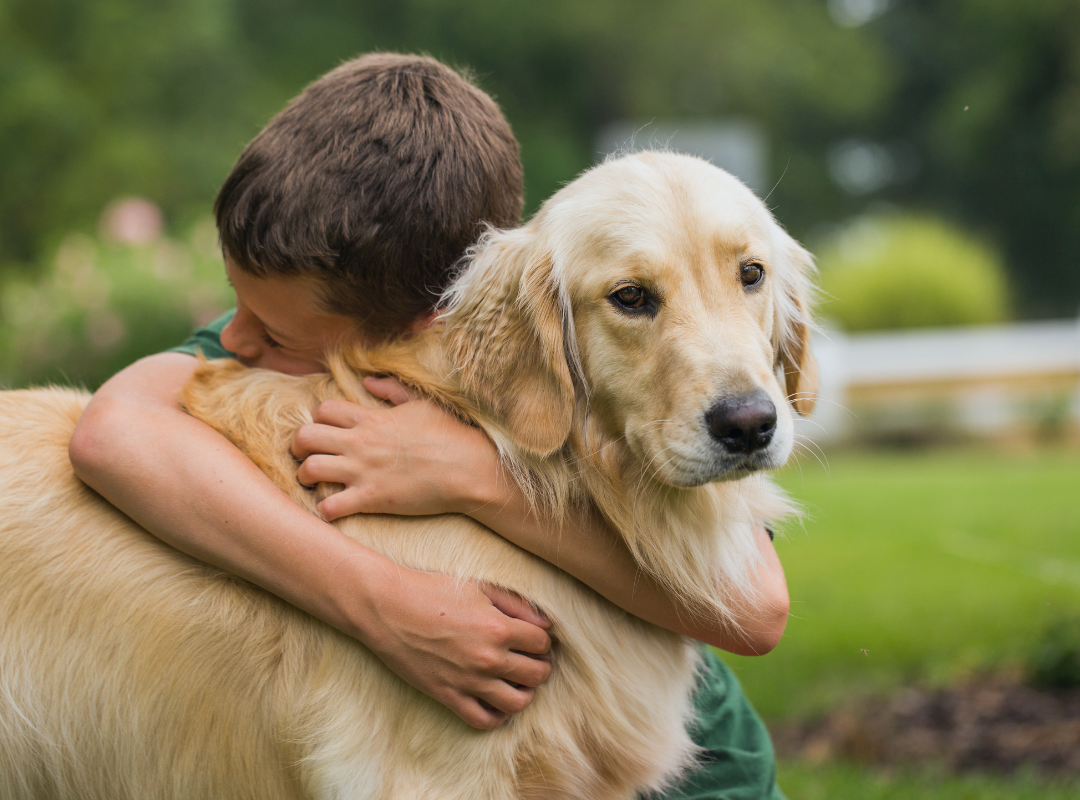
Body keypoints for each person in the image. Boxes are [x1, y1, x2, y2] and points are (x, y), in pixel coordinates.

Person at [69, 52, 788, 798]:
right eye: (239, 306)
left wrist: (474, 480)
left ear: (421, 326)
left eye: (275, 334)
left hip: (707, 769)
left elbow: (758, 610)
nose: (238, 341)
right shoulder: (309, 313)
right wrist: (381, 602)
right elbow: (109, 433)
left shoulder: (516, 326)